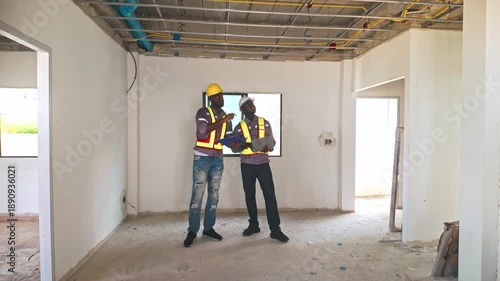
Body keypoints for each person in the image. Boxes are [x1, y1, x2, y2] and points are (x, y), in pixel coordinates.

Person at [231, 96, 289, 243]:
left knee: (270, 196)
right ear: (242, 110)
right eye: (248, 104)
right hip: (247, 165)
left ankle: (275, 230)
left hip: (263, 164)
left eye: (252, 104)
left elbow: (272, 143)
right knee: (249, 196)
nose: (252, 106)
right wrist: (238, 146)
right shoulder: (239, 127)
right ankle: (253, 225)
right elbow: (234, 148)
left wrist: (254, 145)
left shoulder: (264, 123)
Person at [184, 83, 235, 247]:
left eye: (222, 95)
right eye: (217, 96)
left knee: (214, 195)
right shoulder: (203, 112)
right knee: (197, 195)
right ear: (210, 98)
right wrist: (224, 120)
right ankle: (192, 230)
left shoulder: (225, 116)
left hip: (218, 160)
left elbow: (228, 139)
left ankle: (208, 228)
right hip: (202, 159)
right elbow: (203, 131)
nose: (221, 98)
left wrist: (238, 144)